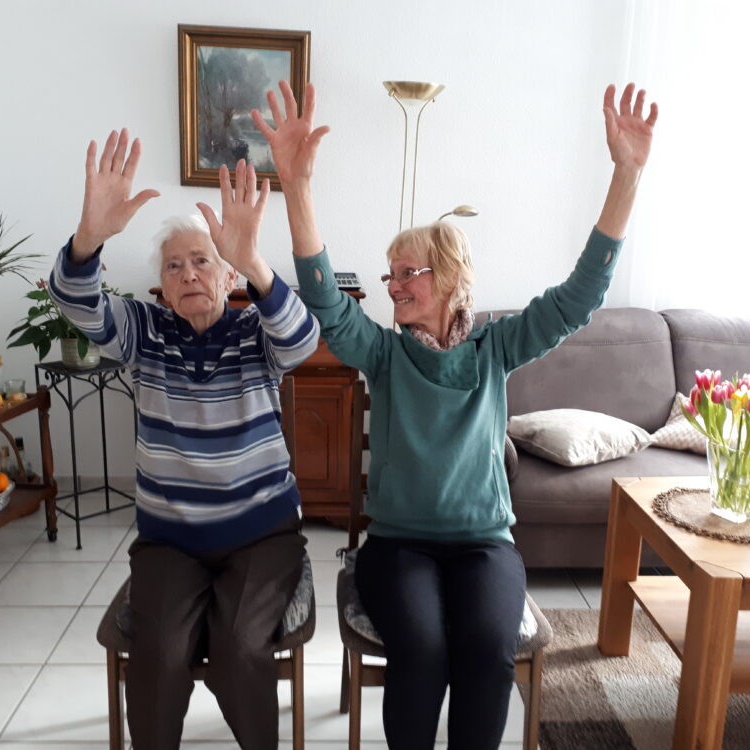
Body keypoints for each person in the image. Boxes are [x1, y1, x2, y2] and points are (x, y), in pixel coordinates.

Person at [252, 81, 657, 749]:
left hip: (484, 547)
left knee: (486, 654)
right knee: (423, 651)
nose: (393, 286)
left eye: (405, 271)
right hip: (398, 546)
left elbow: (580, 296)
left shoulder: (495, 348)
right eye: (389, 276)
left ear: (448, 276)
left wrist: (627, 174)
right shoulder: (381, 353)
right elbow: (325, 299)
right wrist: (297, 187)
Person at [47, 130, 319, 750]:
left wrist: (254, 258)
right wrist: (90, 237)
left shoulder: (256, 331)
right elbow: (76, 301)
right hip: (169, 540)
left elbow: (302, 341)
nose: (189, 273)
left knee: (240, 647)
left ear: (226, 278)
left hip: (261, 534)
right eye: (175, 266)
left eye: (203, 261)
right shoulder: (145, 331)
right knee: (161, 653)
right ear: (162, 288)